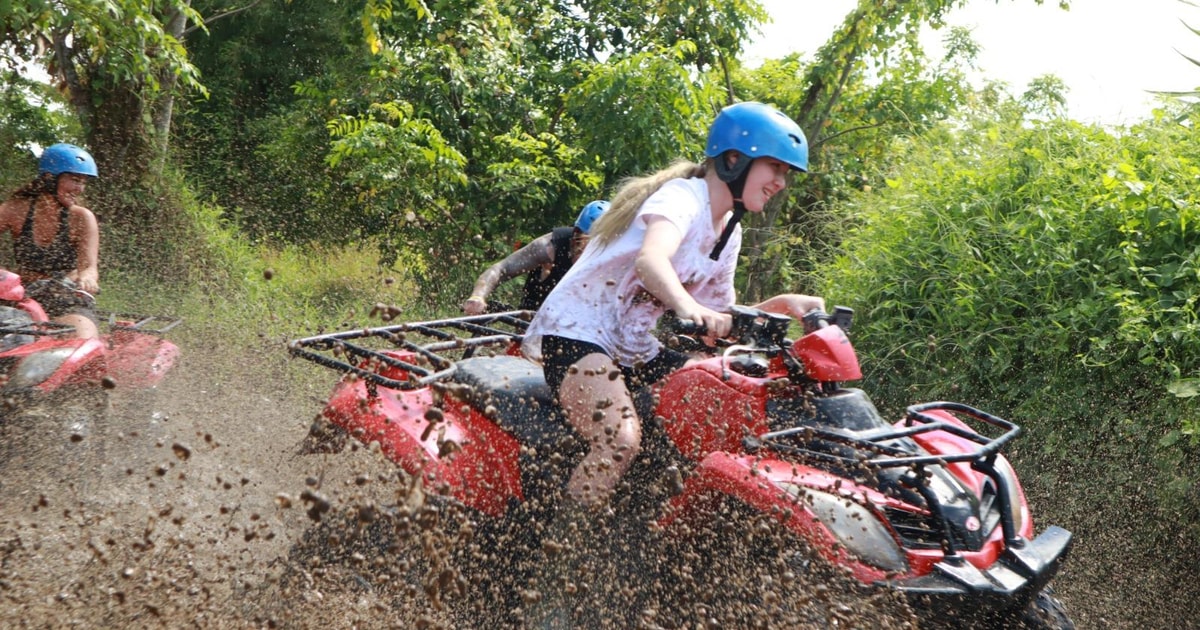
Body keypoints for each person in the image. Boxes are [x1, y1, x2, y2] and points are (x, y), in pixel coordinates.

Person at [523, 102, 825, 514]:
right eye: (775, 166)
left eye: (785, 173)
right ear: (735, 159)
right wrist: (684, 303)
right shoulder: (684, 198)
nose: (780, 182)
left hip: (632, 346)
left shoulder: (728, 231)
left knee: (718, 403)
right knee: (619, 440)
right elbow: (652, 261)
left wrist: (784, 305)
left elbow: (720, 319)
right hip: (578, 333)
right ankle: (561, 553)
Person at [0, 143, 101, 339]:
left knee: (82, 343)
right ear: (49, 178)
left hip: (66, 297)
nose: (80, 189)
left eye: (83, 182)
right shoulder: (15, 209)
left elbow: (89, 267)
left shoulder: (82, 217)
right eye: (74, 180)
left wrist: (87, 279)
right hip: (20, 295)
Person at [462, 200, 609, 315]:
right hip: (534, 321)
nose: (595, 252)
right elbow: (501, 268)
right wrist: (478, 296)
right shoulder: (548, 247)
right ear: (576, 234)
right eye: (590, 244)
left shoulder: (616, 258)